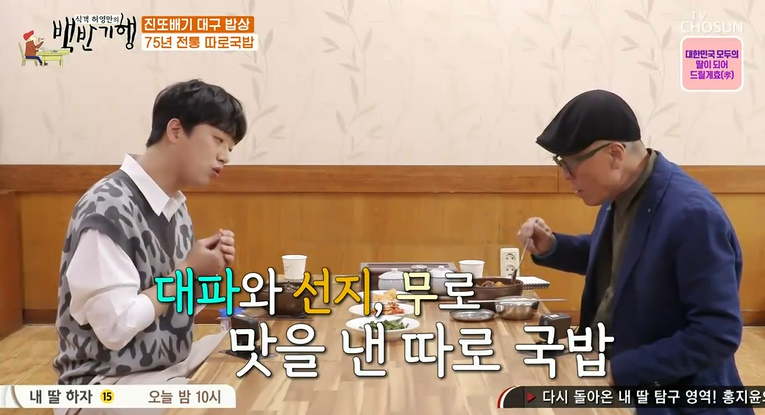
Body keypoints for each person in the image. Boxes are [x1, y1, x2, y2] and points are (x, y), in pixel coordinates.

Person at [517, 89, 752, 415]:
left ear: (614, 154)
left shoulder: (692, 215)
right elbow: (619, 261)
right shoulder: (623, 190)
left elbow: (717, 333)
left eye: (570, 165)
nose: (566, 177)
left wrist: (621, 370)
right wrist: (553, 246)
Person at [52, 79, 247, 414]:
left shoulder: (174, 206)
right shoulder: (107, 207)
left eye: (230, 147)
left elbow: (171, 312)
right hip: (104, 385)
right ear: (175, 130)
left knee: (250, 362)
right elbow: (116, 328)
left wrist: (208, 272)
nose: (225, 157)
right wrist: (187, 272)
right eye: (218, 139)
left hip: (164, 369)